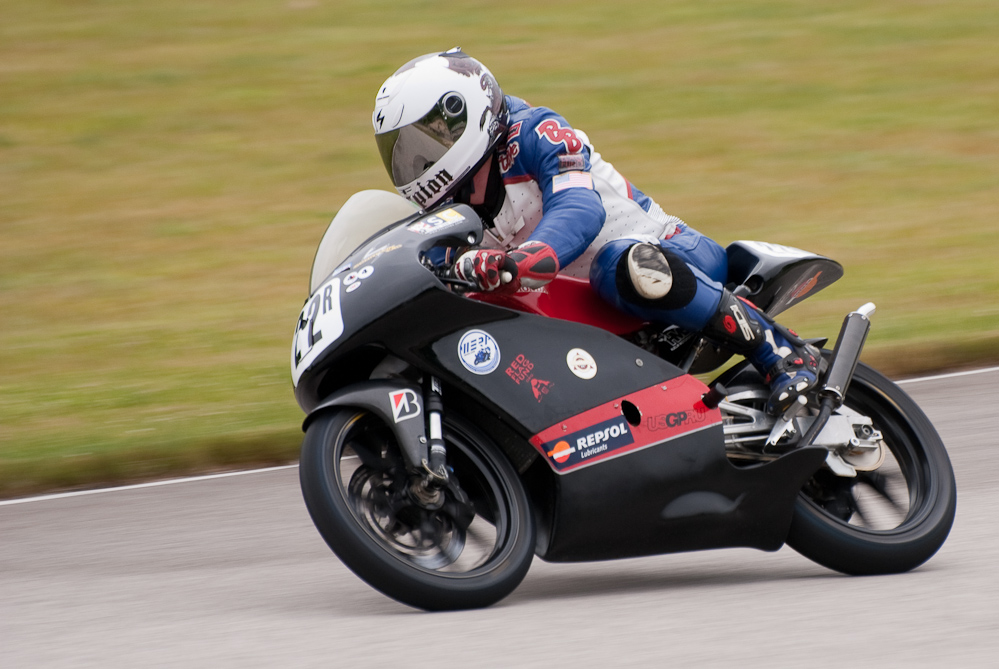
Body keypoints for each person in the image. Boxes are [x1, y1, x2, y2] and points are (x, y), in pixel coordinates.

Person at [371, 48, 819, 416]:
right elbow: (425, 262)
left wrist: (526, 257)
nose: (415, 165)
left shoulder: (534, 132)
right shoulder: (449, 209)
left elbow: (579, 208)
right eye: (402, 152)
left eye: (425, 144)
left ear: (464, 114)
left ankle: (781, 352)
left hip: (669, 255)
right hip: (585, 315)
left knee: (618, 267)